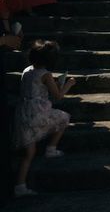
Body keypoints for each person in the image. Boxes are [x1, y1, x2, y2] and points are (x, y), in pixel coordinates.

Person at [13, 40, 76, 197]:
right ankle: (51, 148)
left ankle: (19, 186)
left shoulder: (27, 70)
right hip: (37, 113)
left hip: (23, 114)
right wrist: (69, 83)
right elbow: (58, 96)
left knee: (29, 152)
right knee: (63, 118)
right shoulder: (46, 74)